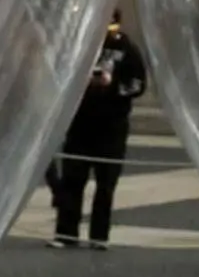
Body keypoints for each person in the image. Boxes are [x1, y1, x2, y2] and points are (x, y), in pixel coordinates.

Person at [54, 21, 145, 244]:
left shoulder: (126, 48)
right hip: (80, 123)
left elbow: (137, 84)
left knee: (106, 185)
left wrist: (112, 86)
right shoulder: (79, 44)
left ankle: (99, 235)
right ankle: (66, 232)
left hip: (111, 125)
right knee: (72, 180)